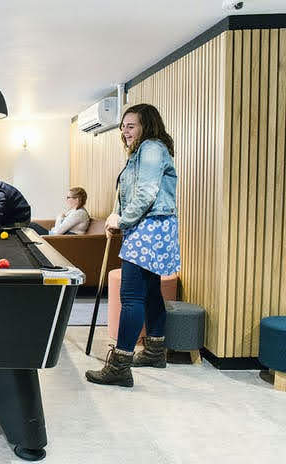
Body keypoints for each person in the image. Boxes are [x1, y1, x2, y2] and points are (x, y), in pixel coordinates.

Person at [85, 103, 181, 388]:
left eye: (131, 126)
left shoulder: (150, 148)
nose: (125, 131)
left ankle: (120, 365)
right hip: (152, 227)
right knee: (150, 292)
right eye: (123, 126)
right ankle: (154, 351)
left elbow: (146, 193)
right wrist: (115, 217)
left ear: (146, 126)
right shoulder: (144, 151)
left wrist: (123, 219)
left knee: (131, 296)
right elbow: (126, 193)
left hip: (148, 228)